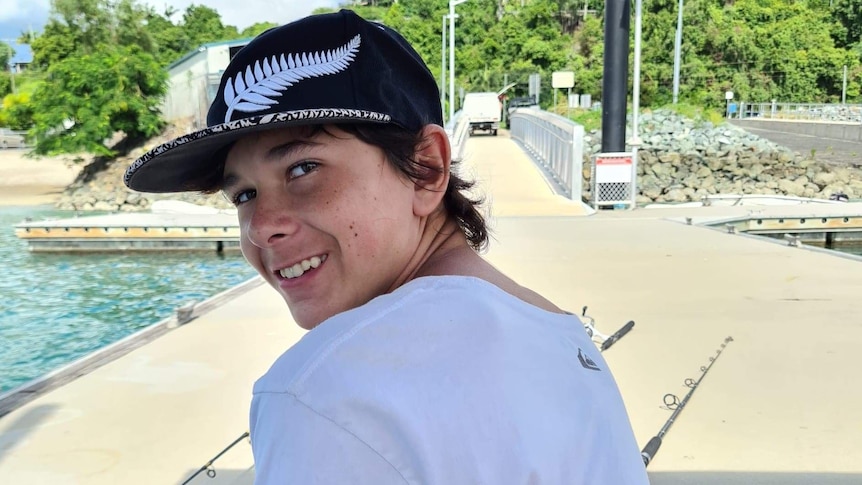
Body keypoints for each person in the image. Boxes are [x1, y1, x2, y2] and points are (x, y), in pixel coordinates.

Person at [125, 9, 649, 484]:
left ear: (426, 169)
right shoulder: (562, 337)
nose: (262, 226)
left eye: (303, 168)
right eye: (243, 194)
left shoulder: (324, 392)